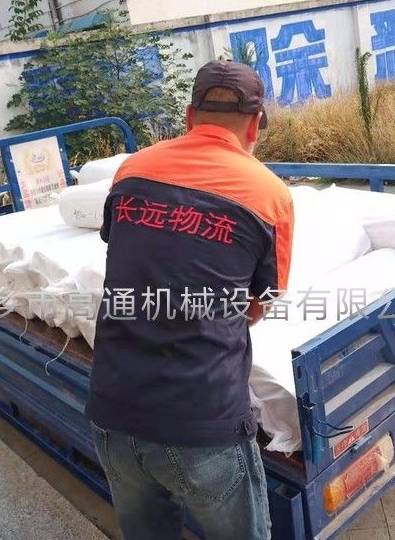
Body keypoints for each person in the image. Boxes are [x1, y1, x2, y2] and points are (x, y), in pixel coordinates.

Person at [88, 60, 294, 540]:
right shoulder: (269, 194)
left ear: (188, 115)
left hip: (112, 410)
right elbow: (257, 306)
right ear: (255, 124)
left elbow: (127, 252)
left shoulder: (131, 170)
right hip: (202, 424)